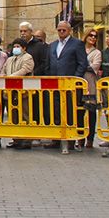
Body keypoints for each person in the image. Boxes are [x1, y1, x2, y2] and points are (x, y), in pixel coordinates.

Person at [47, 21, 87, 154]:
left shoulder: (77, 44)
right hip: (55, 84)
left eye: (64, 30)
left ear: (69, 30)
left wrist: (75, 79)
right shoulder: (52, 45)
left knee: (70, 111)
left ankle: (70, 139)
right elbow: (49, 63)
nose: (61, 32)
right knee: (56, 110)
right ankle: (56, 138)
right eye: (59, 30)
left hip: (70, 85)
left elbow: (82, 63)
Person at [3, 38, 34, 149]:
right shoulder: (10, 59)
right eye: (14, 46)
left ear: (24, 48)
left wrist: (11, 77)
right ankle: (16, 139)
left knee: (25, 115)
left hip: (23, 92)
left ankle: (26, 140)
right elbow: (4, 70)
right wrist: (3, 79)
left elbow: (25, 69)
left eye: (18, 46)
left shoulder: (28, 57)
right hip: (10, 92)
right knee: (13, 116)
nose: (15, 48)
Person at [78, 29, 102, 150]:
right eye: (91, 35)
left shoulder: (97, 52)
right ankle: (80, 137)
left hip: (91, 84)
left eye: (95, 36)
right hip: (78, 83)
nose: (93, 38)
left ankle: (90, 139)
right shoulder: (79, 49)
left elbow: (95, 66)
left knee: (91, 111)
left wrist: (82, 65)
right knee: (79, 111)